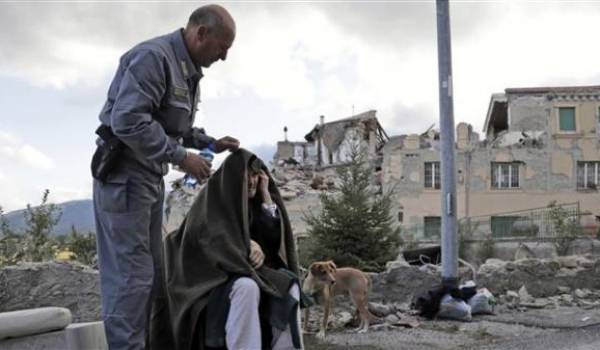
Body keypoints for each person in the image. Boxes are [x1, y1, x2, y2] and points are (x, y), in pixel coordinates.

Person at [91, 5, 239, 349]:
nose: (224, 57)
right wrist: (181, 158)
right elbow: (127, 121)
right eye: (222, 47)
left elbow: (172, 124)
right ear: (201, 33)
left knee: (155, 278)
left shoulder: (185, 68)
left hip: (147, 180)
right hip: (124, 180)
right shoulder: (153, 58)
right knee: (132, 280)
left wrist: (207, 143)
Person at [151, 149, 304, 350]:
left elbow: (273, 244)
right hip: (211, 280)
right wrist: (244, 244)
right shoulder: (213, 199)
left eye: (256, 175)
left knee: (288, 286)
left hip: (248, 271)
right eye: (247, 175)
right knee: (246, 287)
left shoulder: (254, 203)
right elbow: (206, 237)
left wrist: (267, 196)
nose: (252, 181)